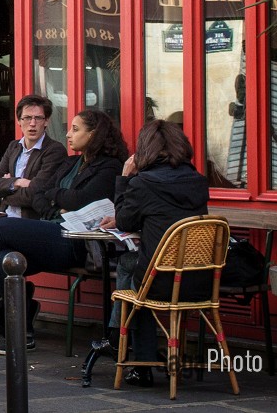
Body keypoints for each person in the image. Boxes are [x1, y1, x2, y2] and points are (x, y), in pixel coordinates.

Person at [0, 108, 128, 310]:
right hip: (53, 230)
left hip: (77, 243)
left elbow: (80, 200)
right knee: (2, 261)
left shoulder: (110, 167)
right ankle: (22, 330)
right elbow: (38, 194)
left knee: (0, 228)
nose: (68, 134)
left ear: (93, 134)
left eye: (75, 129)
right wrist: (57, 207)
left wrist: (55, 196)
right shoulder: (72, 162)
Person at [97, 119, 209, 387]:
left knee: (131, 269)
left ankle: (135, 357)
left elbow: (124, 221)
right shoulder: (197, 180)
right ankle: (126, 347)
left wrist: (125, 176)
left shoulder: (144, 183)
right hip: (202, 279)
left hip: (162, 283)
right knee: (140, 270)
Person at [0, 94, 69, 219]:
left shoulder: (54, 150)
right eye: (27, 118)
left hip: (32, 222)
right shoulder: (14, 146)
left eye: (38, 118)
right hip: (5, 216)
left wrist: (5, 190)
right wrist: (18, 182)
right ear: (19, 120)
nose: (32, 123)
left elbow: (35, 194)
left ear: (46, 121)